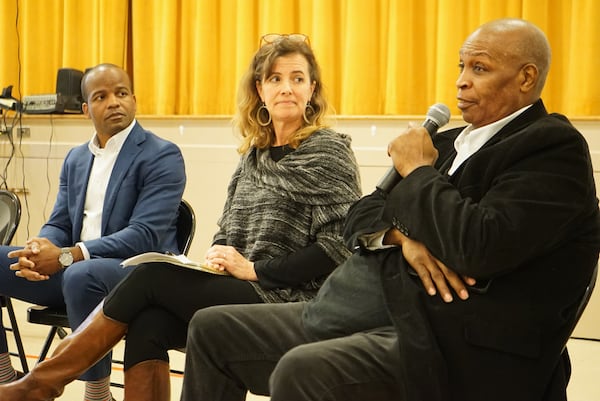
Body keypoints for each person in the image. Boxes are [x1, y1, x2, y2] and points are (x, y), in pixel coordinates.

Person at [179, 18, 600, 401]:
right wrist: (404, 236)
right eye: (460, 67)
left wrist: (417, 170)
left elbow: (479, 243)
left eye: (479, 68)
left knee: (304, 370)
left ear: (527, 77)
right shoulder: (450, 142)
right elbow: (361, 216)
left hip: (449, 341)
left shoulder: (551, 148)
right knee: (211, 328)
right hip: (361, 308)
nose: (461, 83)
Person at [0, 34, 362, 401]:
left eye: (297, 79)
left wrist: (255, 269)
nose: (287, 88)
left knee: (150, 277)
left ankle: (39, 385)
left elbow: (340, 248)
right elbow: (227, 231)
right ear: (260, 90)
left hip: (289, 296)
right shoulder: (253, 156)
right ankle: (39, 385)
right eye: (275, 79)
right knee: (148, 322)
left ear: (312, 90)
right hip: (244, 283)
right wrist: (217, 255)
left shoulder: (329, 151)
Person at [0, 63, 186, 401]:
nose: (114, 102)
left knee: (80, 274)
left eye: (121, 93)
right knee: (4, 259)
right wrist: (38, 249)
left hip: (136, 274)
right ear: (86, 109)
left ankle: (98, 394)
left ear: (134, 99)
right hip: (79, 273)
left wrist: (68, 255)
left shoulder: (162, 155)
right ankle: (4, 375)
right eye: (101, 96)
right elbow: (59, 223)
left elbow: (145, 235)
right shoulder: (76, 159)